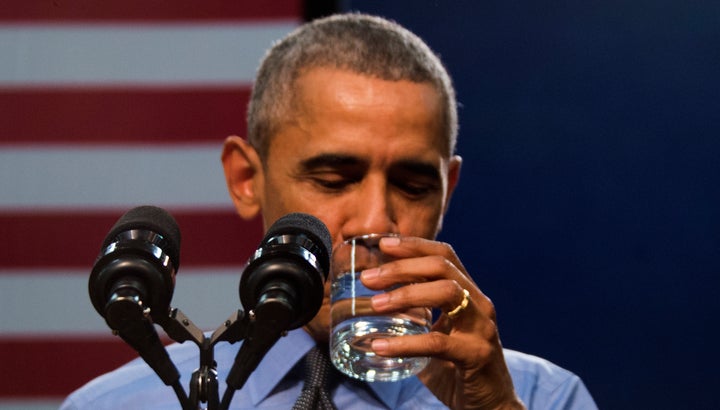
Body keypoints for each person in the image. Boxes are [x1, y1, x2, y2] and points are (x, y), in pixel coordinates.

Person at [61, 13, 596, 409]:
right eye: (333, 179)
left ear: (448, 190)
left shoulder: (540, 397)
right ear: (247, 178)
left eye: (413, 186)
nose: (374, 220)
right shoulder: (114, 405)